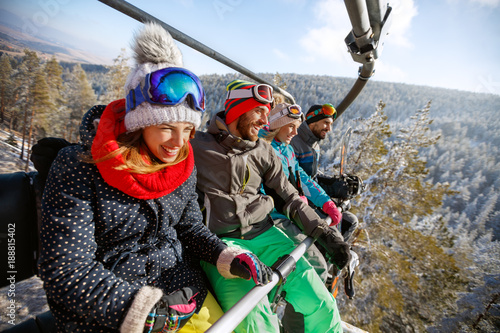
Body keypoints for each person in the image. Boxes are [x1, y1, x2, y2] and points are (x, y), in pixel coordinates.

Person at [38, 23, 272, 333]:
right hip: (111, 312)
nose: (178, 144)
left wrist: (225, 255)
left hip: (183, 293)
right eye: (166, 129)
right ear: (139, 123)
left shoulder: (182, 166)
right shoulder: (82, 167)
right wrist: (138, 310)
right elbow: (66, 270)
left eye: (188, 131)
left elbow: (189, 229)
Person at [191, 79, 351, 333]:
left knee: (322, 305)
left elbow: (289, 197)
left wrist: (324, 233)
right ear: (237, 109)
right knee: (255, 323)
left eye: (267, 113)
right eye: (259, 111)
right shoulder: (197, 147)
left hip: (265, 235)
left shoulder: (263, 151)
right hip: (222, 245)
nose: (265, 121)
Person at [259, 102, 345, 283]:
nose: (295, 133)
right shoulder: (266, 150)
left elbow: (303, 179)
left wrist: (325, 201)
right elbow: (275, 190)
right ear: (277, 125)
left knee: (326, 244)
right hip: (275, 217)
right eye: (291, 126)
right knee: (317, 265)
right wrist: (298, 201)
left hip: (292, 212)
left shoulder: (287, 149)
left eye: (297, 127)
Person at [291, 104, 359, 243]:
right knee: (334, 237)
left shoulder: (313, 144)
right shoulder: (293, 142)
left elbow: (312, 177)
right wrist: (330, 191)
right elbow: (298, 179)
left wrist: (336, 185)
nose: (329, 128)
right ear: (313, 120)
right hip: (297, 202)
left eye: (331, 124)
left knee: (350, 221)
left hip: (311, 198)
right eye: (326, 123)